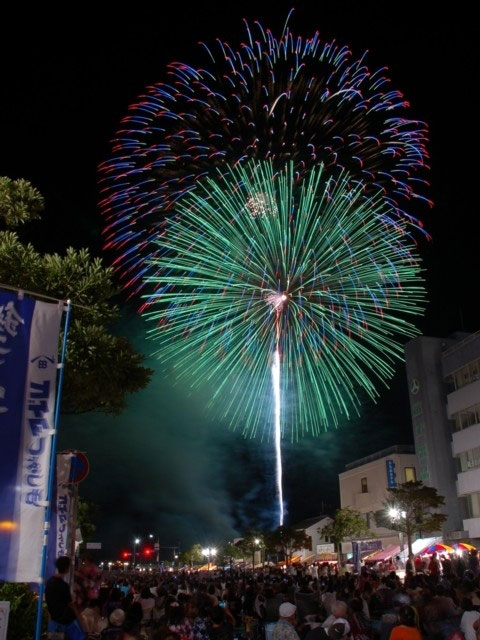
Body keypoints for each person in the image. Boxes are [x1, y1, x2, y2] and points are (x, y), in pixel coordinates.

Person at [45, 556, 86, 640]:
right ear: (67, 568)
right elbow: (72, 605)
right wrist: (81, 621)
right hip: (66, 623)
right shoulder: (64, 586)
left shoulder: (49, 583)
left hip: (53, 623)